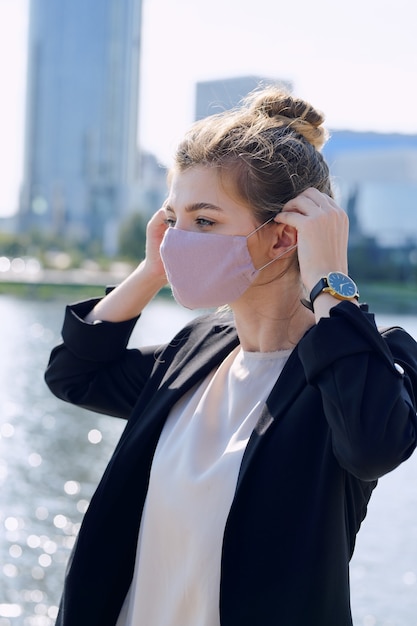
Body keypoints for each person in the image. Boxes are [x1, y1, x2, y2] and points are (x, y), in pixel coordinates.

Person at [45, 86, 417, 626]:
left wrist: (332, 283)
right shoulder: (199, 351)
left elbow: (372, 446)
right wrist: (153, 269)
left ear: (283, 237)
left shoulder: (363, 366)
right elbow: (75, 375)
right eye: (173, 219)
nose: (178, 239)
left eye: (205, 221)